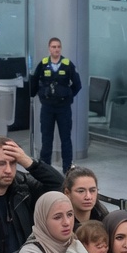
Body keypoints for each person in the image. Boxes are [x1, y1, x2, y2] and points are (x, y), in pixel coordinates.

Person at [29, 37, 82, 172]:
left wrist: (68, 96)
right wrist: (35, 94)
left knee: (66, 138)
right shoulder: (43, 64)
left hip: (63, 108)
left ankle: (67, 168)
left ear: (61, 48)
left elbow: (77, 85)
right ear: (49, 48)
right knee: (46, 138)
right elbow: (34, 82)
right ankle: (45, 168)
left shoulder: (67, 64)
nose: (56, 49)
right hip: (47, 107)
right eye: (53, 47)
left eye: (58, 47)